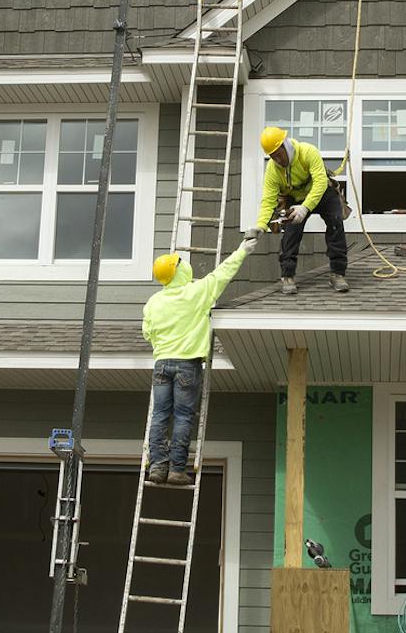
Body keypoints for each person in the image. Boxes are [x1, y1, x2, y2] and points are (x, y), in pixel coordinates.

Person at [139, 240, 253, 485]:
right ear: (179, 271)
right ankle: (177, 469)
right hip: (187, 365)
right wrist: (243, 249)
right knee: (182, 416)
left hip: (161, 364)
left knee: (159, 415)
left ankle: (158, 467)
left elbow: (147, 334)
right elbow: (223, 272)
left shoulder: (153, 302)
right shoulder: (196, 293)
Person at [255, 125, 348, 295]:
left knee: (335, 221)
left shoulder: (308, 152)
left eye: (279, 154)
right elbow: (268, 200)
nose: (278, 159)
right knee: (291, 230)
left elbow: (320, 182)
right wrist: (260, 226)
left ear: (286, 145)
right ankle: (287, 276)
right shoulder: (273, 170)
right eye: (273, 156)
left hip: (320, 192)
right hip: (294, 197)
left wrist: (305, 208)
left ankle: (338, 273)